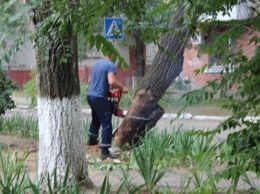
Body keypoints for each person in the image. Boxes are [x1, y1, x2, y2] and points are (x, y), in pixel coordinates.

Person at [87, 52, 128, 160]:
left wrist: (105, 88)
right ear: (112, 55)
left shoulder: (96, 64)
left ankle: (92, 139)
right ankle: (105, 151)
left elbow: (90, 81)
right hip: (99, 97)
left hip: (90, 95)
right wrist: (122, 88)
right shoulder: (110, 65)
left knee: (96, 117)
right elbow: (112, 81)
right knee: (106, 120)